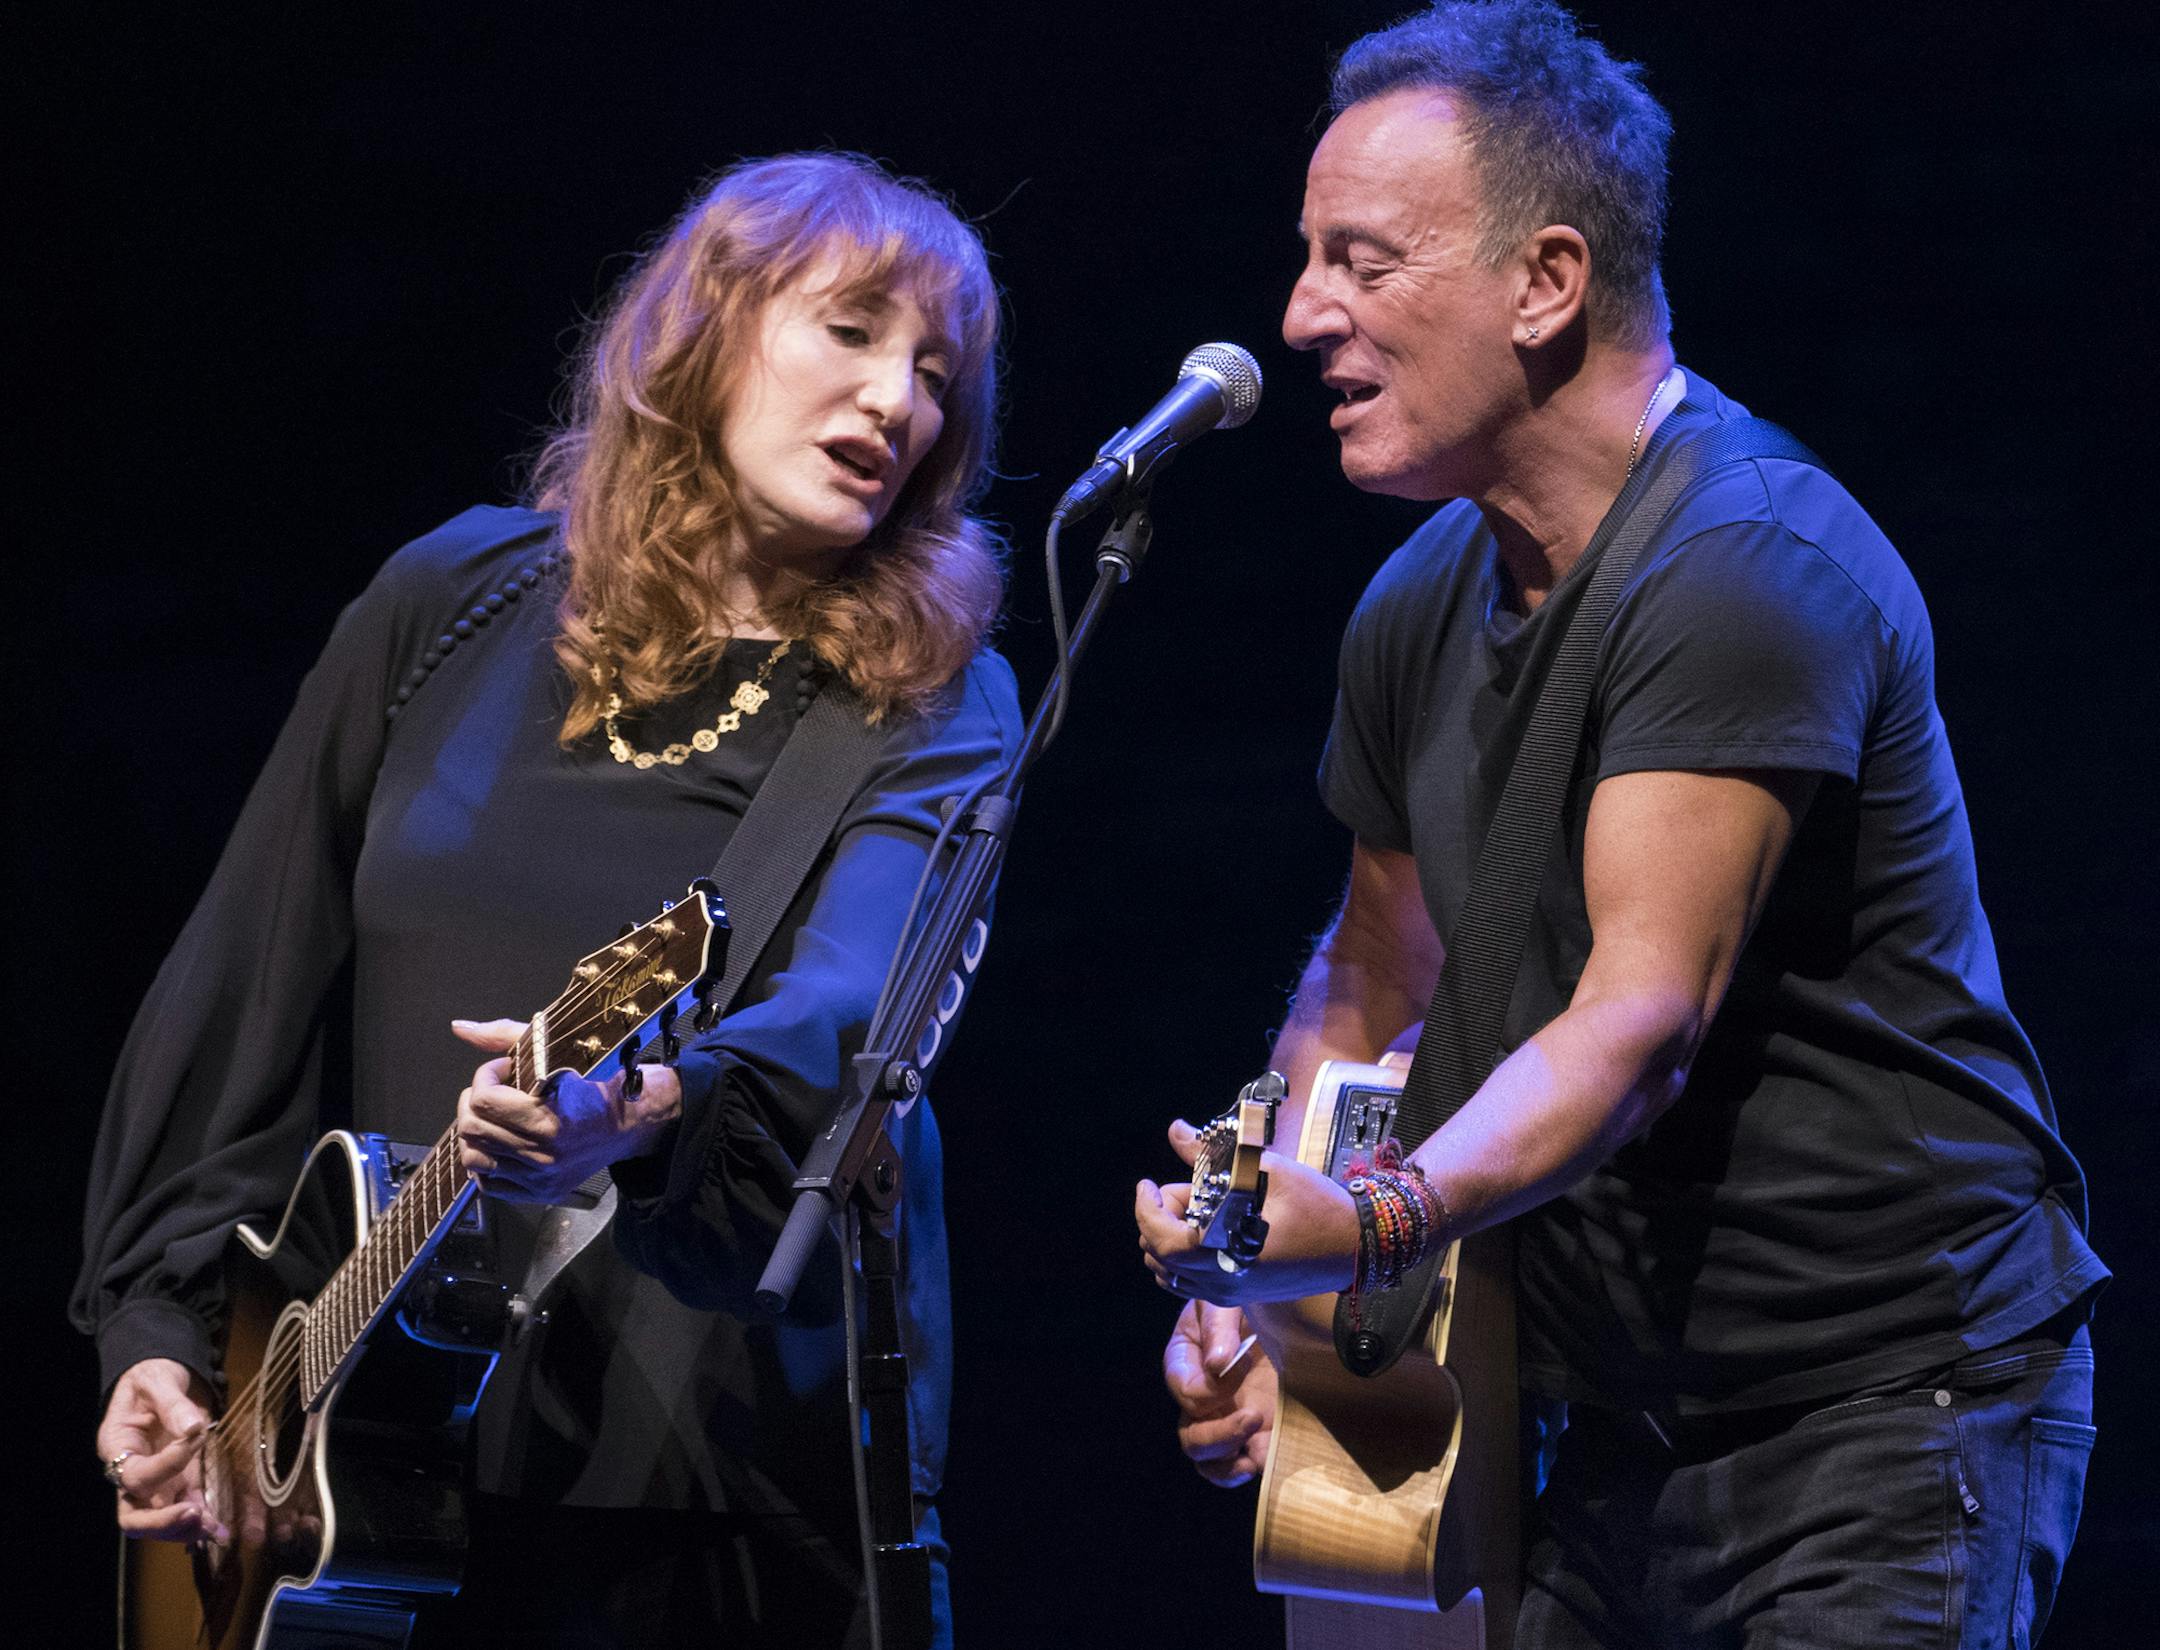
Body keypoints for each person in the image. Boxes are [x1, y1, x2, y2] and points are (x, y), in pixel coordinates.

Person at [1133, 4, 2106, 1645]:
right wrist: (1279, 1279)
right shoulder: (1413, 603)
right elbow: (1373, 978)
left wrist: (1369, 1221)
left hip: (1880, 1408)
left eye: (1362, 262)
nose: (1302, 314)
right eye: (1309, 260)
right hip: (1614, 1418)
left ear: (1548, 281)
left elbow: (1639, 1022)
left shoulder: (1741, 565)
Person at [74, 151, 1021, 1648]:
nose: (900, 396)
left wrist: (642, 1114)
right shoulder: (451, 596)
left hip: (695, 1490)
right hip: (342, 1474)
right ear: (704, 324)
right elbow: (248, 984)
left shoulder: (925, 697)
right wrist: (159, 1328)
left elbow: (849, 1002)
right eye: (852, 329)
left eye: (935, 370)